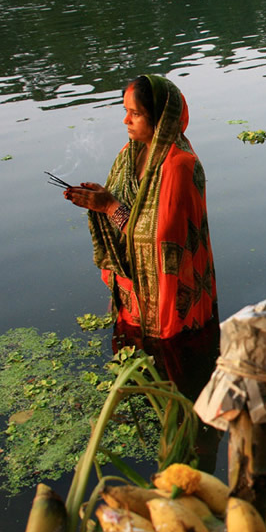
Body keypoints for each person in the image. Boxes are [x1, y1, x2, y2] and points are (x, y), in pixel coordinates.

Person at [64, 75, 219, 340]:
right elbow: (124, 201)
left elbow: (161, 237)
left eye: (136, 113)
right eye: (126, 111)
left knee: (170, 364)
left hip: (170, 293)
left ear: (160, 118)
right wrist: (96, 200)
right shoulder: (130, 153)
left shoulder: (178, 164)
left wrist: (110, 207)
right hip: (133, 288)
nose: (126, 120)